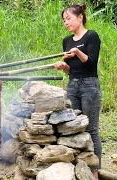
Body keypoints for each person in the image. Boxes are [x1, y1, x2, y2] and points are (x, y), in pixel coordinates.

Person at [54, 3, 102, 180]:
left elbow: (91, 63)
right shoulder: (66, 41)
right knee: (73, 128)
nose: (66, 22)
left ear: (80, 17)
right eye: (64, 20)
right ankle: (78, 168)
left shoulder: (91, 36)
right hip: (72, 85)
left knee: (91, 129)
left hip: (90, 85)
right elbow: (71, 70)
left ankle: (95, 172)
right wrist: (63, 67)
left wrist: (77, 52)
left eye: (69, 18)